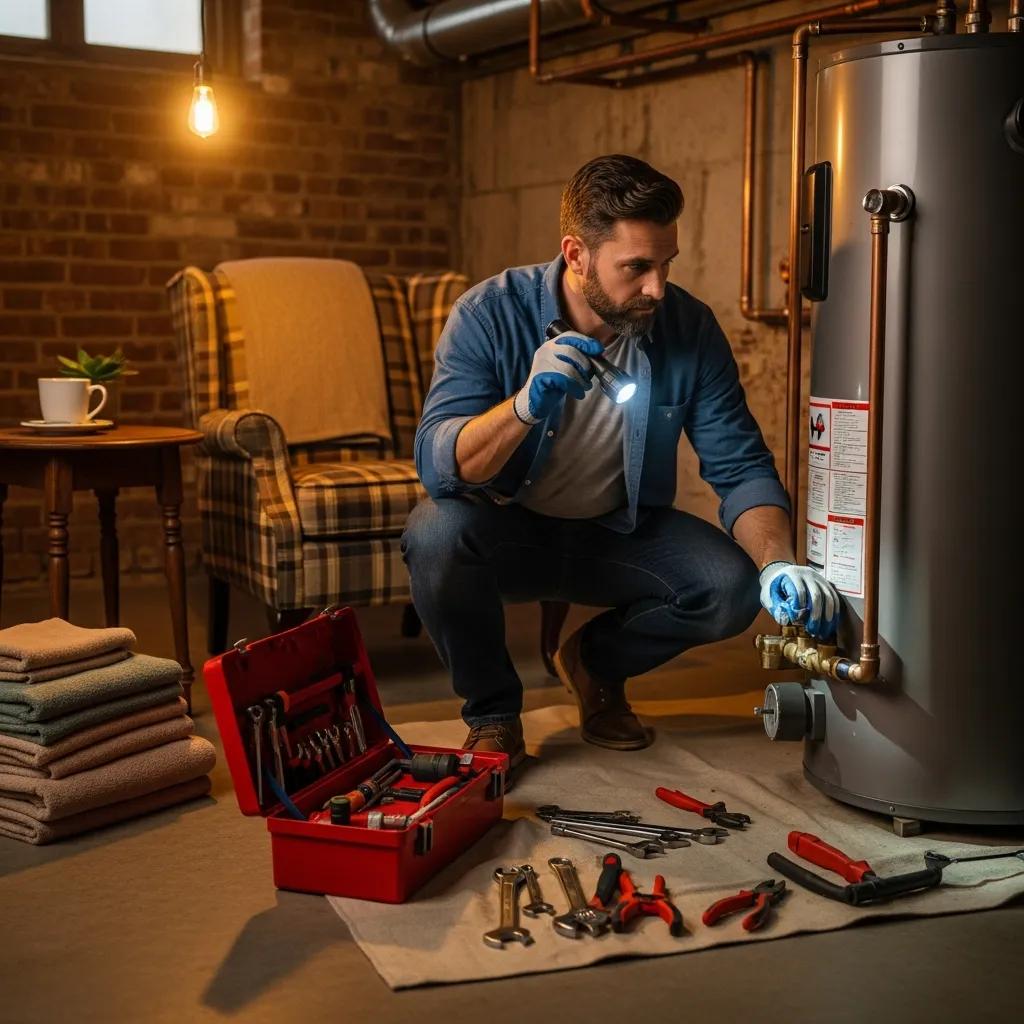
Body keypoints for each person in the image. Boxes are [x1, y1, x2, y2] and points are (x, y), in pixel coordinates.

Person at [402, 154, 839, 771]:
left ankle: (596, 664)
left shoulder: (686, 327)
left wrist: (776, 564)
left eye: (666, 265)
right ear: (576, 254)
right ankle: (493, 714)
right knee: (435, 532)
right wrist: (523, 407)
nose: (656, 288)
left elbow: (739, 466)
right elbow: (440, 467)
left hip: (619, 533)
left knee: (729, 587)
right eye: (636, 268)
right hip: (508, 531)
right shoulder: (488, 312)